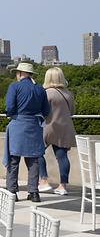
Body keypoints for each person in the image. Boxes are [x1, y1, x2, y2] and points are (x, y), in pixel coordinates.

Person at [4, 62, 50, 202]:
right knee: (34, 160)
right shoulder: (40, 89)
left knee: (13, 160)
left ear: (19, 73)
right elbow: (46, 111)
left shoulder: (14, 86)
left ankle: (12, 191)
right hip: (34, 126)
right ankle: (34, 192)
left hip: (18, 125)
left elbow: (10, 107)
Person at [37, 67, 76, 196]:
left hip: (48, 126)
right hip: (65, 128)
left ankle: (44, 180)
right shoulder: (68, 94)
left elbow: (42, 111)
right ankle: (62, 186)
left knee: (37, 152)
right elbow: (72, 112)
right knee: (62, 157)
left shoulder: (46, 93)